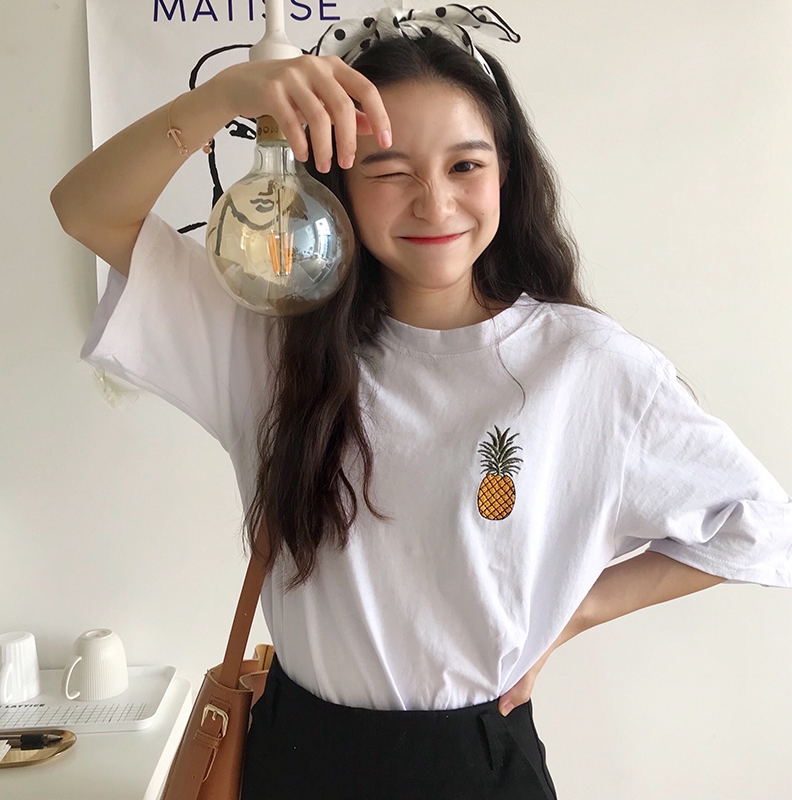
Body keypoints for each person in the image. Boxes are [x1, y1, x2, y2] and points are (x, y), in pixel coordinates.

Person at [50, 5, 792, 799]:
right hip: (297, 760)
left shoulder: (586, 365)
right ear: (339, 183)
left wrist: (573, 615)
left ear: (506, 173)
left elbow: (760, 523)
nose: (435, 204)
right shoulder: (267, 339)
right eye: (390, 170)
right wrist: (226, 97)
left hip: (477, 766)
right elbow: (85, 209)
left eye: (465, 166)